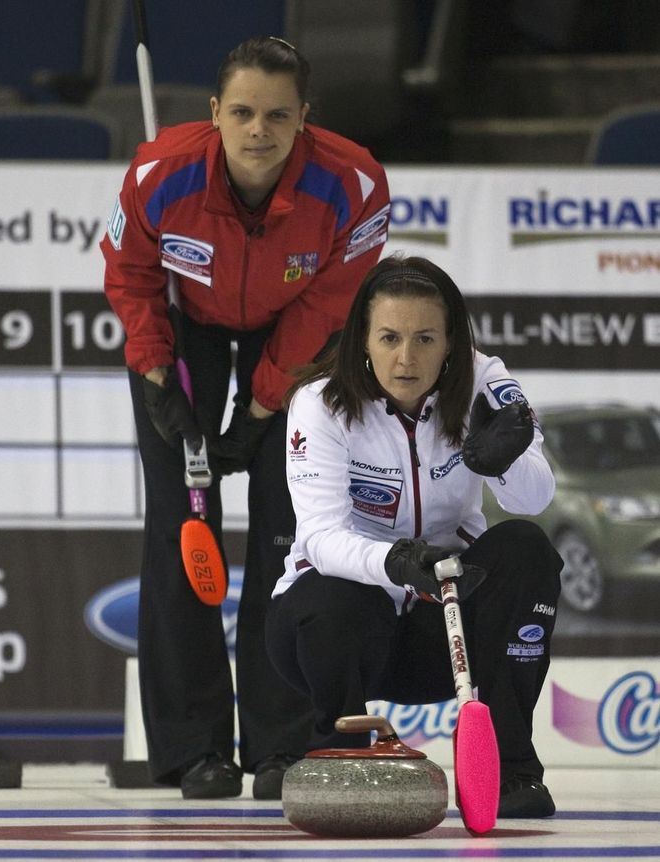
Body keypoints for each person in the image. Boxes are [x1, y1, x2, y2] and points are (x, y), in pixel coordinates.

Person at [100, 36, 390, 800]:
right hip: (182, 333)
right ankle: (195, 750)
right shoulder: (158, 174)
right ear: (214, 113)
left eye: (276, 115)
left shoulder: (354, 185)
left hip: (294, 336)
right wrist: (160, 377)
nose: (257, 130)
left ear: (305, 118)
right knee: (181, 527)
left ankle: (286, 743)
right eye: (241, 113)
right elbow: (130, 277)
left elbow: (330, 305)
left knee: (287, 533)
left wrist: (261, 407)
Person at [265, 254, 564, 818]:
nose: (406, 358)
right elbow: (322, 537)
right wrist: (398, 563)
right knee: (327, 594)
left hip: (446, 627)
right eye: (390, 337)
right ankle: (341, 753)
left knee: (527, 549)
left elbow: (535, 499)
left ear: (451, 343)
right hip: (343, 631)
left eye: (425, 338)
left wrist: (505, 459)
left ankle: (511, 767)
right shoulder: (320, 402)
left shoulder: (487, 383)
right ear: (363, 341)